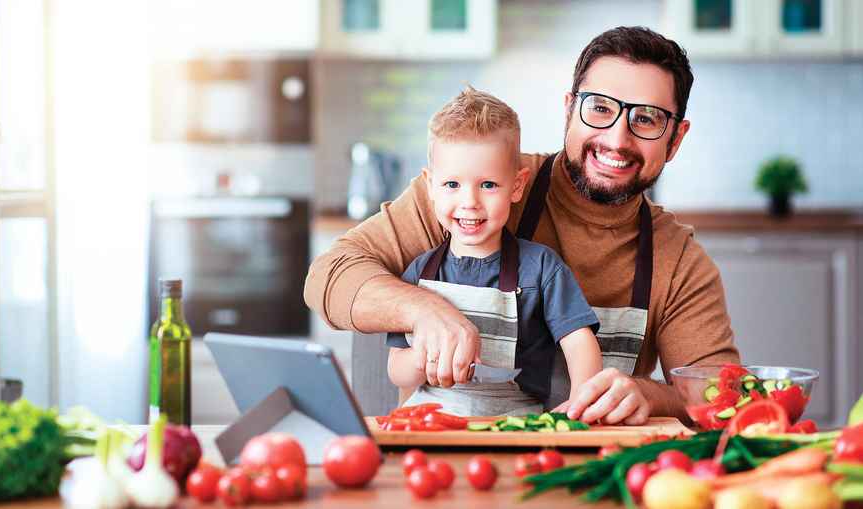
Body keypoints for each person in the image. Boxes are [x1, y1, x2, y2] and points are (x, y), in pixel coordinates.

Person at [304, 26, 740, 425]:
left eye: (645, 119)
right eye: (600, 108)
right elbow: (328, 277)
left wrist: (650, 394)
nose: (616, 139)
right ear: (570, 109)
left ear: (675, 138)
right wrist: (423, 310)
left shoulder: (678, 259)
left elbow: (721, 394)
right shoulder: (475, 192)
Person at [385, 87, 603, 417]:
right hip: (429, 427)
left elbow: (579, 343)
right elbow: (396, 371)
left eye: (488, 185)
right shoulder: (419, 272)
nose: (469, 201)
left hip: (511, 426)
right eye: (452, 185)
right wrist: (423, 356)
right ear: (430, 185)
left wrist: (579, 407)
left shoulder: (541, 268)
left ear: (516, 186)